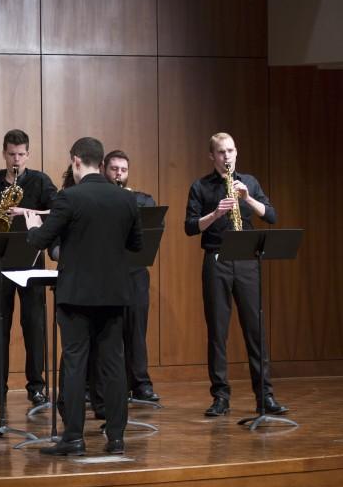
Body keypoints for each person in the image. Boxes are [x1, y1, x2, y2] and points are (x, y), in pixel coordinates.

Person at [24, 137, 142, 455]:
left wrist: (33, 224)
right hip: (115, 294)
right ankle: (116, 438)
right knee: (114, 365)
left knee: (75, 363)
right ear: (101, 164)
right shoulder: (126, 199)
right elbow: (136, 246)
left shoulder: (69, 198)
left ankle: (74, 438)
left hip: (76, 296)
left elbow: (40, 241)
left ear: (76, 161)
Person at [184, 132, 286, 418]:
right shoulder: (200, 186)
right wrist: (215, 214)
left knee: (256, 330)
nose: (226, 156)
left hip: (247, 261)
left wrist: (248, 199)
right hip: (216, 260)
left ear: (236, 152)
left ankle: (265, 396)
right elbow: (190, 227)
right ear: (211, 156)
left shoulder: (249, 182)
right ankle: (220, 397)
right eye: (220, 152)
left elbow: (272, 216)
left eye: (230, 151)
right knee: (218, 331)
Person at [0, 129, 56, 408]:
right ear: (4, 153)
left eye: (21, 154)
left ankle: (36, 387)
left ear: (28, 154)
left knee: (34, 325)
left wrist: (26, 212)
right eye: (11, 154)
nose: (16, 159)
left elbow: (58, 211)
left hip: (31, 257)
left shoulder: (40, 180)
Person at [104, 150, 159, 404]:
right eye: (114, 169)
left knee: (137, 330)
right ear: (105, 170)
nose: (119, 174)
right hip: (108, 273)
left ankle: (140, 384)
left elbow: (149, 228)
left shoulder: (142, 199)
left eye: (123, 170)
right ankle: (108, 386)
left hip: (135, 273)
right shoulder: (100, 199)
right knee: (109, 332)